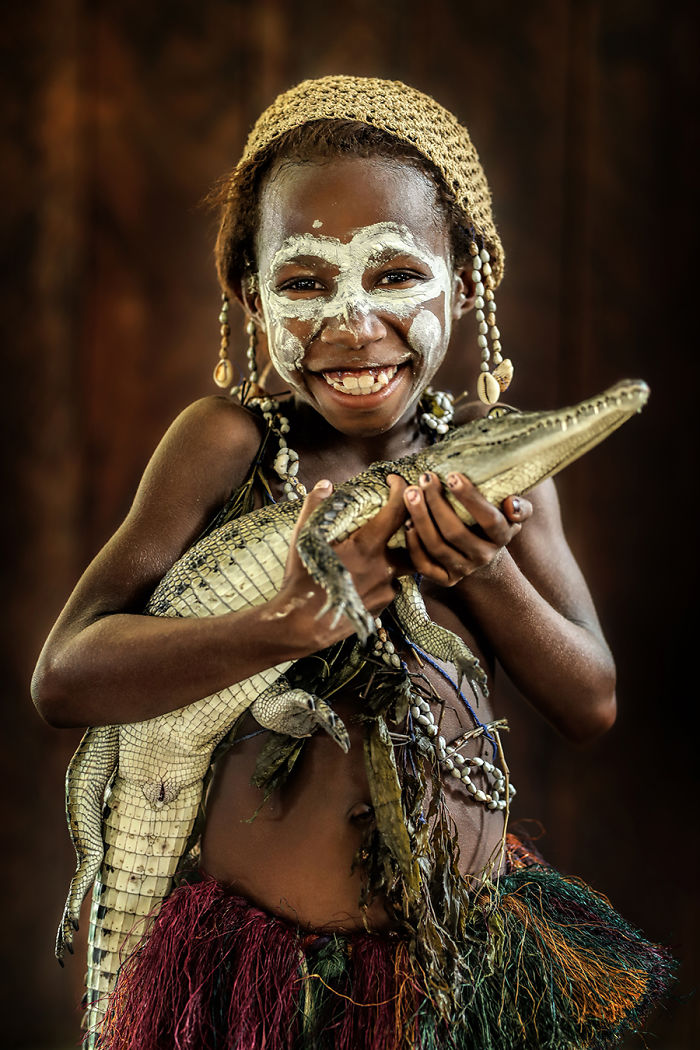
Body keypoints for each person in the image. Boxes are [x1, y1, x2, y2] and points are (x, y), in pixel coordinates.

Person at [32, 76, 672, 1049]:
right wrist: (277, 629)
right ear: (250, 297)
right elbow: (64, 677)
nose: (350, 321)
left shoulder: (508, 476)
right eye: (302, 283)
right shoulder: (226, 444)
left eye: (393, 274)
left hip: (453, 966)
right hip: (253, 977)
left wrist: (484, 569)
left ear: (466, 278)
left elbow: (590, 705)